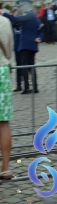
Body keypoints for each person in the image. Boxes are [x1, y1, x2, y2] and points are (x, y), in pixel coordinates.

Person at [1, 0, 41, 94]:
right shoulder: (32, 15)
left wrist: (3, 13)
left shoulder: (28, 14)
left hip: (26, 44)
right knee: (31, 66)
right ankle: (34, 87)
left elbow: (16, 19)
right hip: (31, 45)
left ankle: (27, 87)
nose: (18, 9)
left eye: (19, 7)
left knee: (24, 66)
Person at [0, 15, 14, 180]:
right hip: (1, 71)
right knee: (3, 123)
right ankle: (5, 168)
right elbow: (9, 50)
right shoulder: (4, 21)